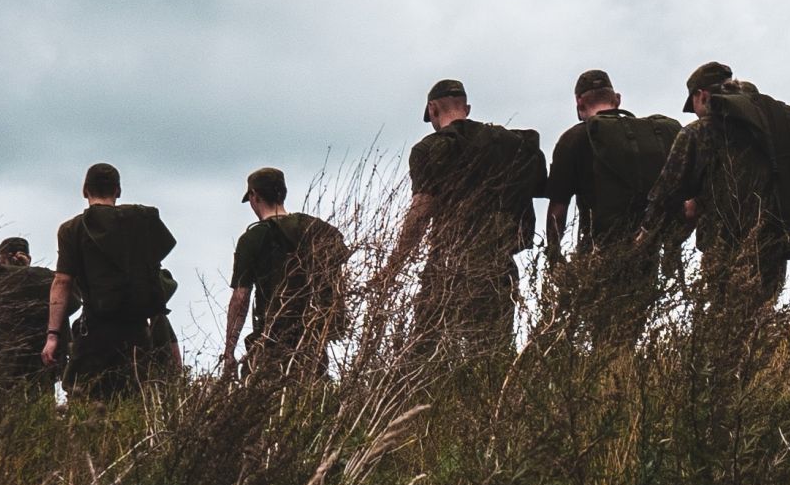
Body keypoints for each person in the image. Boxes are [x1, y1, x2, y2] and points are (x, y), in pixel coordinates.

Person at [642, 61, 790, 310]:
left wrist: (644, 235)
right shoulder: (774, 131)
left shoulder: (701, 132)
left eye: (695, 106)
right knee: (761, 324)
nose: (696, 113)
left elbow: (666, 191)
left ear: (702, 95)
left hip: (725, 250)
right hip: (774, 247)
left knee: (724, 329)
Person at [381, 80, 547, 360]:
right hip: (498, 266)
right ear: (466, 108)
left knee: (425, 355)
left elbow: (421, 211)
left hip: (447, 269)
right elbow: (540, 187)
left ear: (432, 110)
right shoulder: (509, 144)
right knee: (492, 357)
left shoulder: (428, 149)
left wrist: (394, 266)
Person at [545, 70, 683, 347]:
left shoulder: (575, 139)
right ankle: (624, 379)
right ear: (617, 99)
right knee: (628, 333)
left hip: (599, 251)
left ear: (579, 104)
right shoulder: (650, 137)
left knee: (603, 337)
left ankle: (609, 383)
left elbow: (558, 210)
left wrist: (554, 255)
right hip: (646, 250)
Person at [45, 163, 181, 399]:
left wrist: (53, 335)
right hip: (138, 329)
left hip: (95, 329)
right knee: (134, 398)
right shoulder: (142, 222)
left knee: (85, 396)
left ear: (84, 190)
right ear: (118, 190)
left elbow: (62, 283)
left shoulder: (72, 229)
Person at [222, 167, 350, 380]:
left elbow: (241, 297)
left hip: (271, 340)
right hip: (313, 341)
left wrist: (229, 351)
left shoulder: (253, 238)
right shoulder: (314, 230)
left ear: (254, 196)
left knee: (262, 401)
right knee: (312, 400)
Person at [0, 236, 61, 413]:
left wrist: (1, 351)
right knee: (39, 425)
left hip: (3, 370)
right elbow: (71, 299)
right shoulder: (46, 286)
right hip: (39, 366)